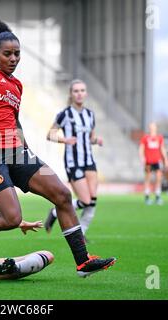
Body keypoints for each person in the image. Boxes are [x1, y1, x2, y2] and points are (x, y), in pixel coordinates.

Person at [0, 20, 116, 278]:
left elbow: (14, 120)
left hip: (18, 153)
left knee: (62, 194)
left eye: (17, 53)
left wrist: (27, 149)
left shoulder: (17, 86)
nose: (13, 58)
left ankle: (82, 261)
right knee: (12, 218)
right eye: (7, 53)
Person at [44, 79, 102, 241]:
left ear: (86, 93)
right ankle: (55, 212)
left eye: (82, 90)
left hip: (89, 161)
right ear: (71, 94)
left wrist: (97, 141)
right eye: (76, 91)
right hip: (73, 162)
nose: (79, 93)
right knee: (84, 201)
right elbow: (50, 134)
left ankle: (81, 234)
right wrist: (65, 140)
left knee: (93, 201)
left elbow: (91, 137)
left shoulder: (90, 115)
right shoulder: (65, 114)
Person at [139, 122, 168, 205]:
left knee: (159, 178)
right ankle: (147, 197)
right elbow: (141, 149)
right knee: (147, 178)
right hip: (148, 162)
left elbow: (162, 149)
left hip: (157, 161)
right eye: (150, 127)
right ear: (149, 128)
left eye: (153, 127)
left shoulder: (159, 138)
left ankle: (158, 196)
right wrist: (142, 158)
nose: (152, 128)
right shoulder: (145, 138)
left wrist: (166, 159)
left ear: (156, 128)